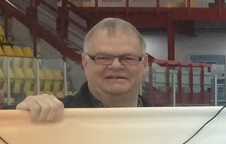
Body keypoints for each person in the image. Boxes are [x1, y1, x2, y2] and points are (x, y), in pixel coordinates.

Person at [17, 17, 149, 120]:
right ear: (85, 63)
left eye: (128, 58)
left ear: (144, 64)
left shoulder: (162, 124)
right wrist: (23, 118)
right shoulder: (47, 119)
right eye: (103, 57)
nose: (116, 65)